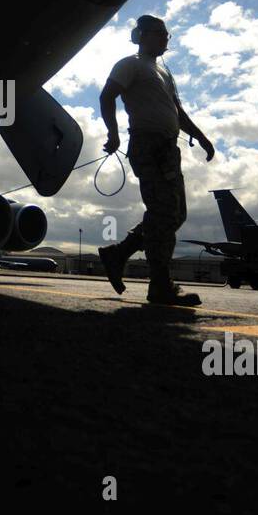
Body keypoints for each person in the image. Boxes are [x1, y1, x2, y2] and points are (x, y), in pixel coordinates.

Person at [98, 16, 214, 306]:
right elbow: (107, 96)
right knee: (163, 211)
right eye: (161, 34)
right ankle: (160, 285)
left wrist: (201, 137)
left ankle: (119, 253)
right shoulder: (130, 64)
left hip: (168, 149)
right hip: (148, 145)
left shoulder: (163, 71)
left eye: (167, 35)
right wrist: (113, 134)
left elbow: (178, 112)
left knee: (175, 214)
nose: (166, 39)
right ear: (142, 35)